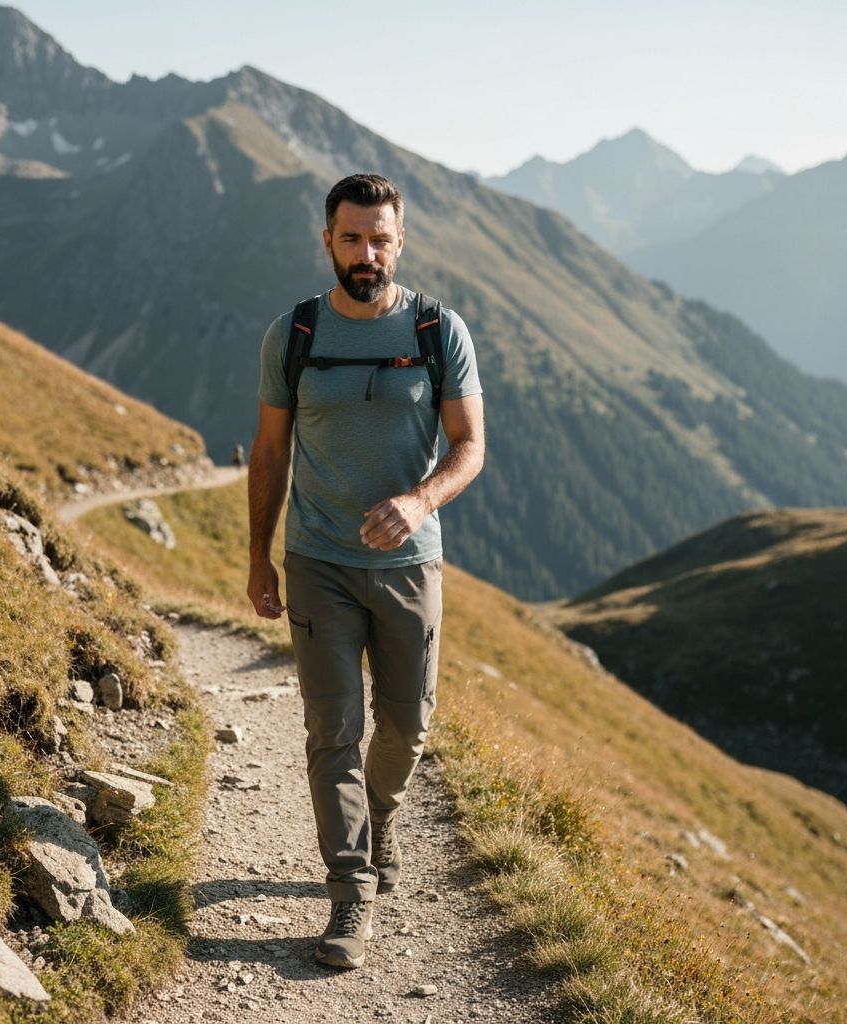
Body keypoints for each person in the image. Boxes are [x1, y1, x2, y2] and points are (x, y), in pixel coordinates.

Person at [246, 173, 484, 970]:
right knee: (333, 731)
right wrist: (258, 557)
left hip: (412, 565)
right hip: (318, 561)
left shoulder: (436, 329)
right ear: (328, 242)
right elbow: (272, 451)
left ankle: (379, 818)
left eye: (380, 238)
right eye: (351, 238)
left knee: (408, 726)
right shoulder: (296, 334)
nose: (366, 253)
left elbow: (470, 448)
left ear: (400, 242)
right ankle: (351, 891)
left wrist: (419, 503)